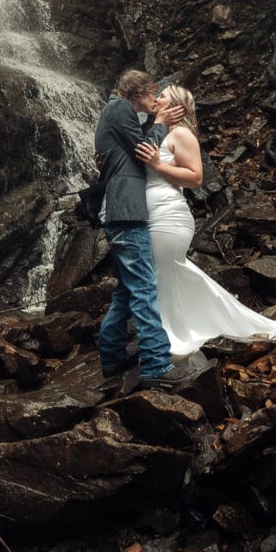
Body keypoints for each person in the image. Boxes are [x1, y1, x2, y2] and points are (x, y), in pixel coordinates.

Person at [135, 84, 276, 355]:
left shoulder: (182, 134)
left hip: (168, 215)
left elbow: (196, 178)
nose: (155, 98)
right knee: (167, 273)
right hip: (150, 216)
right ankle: (194, 326)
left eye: (162, 95)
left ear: (177, 107)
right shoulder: (153, 134)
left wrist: (158, 165)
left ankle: (164, 341)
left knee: (160, 273)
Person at [95, 70, 196, 387]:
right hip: (127, 213)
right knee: (144, 290)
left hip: (122, 212)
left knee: (126, 293)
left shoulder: (117, 111)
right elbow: (144, 152)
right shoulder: (121, 107)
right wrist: (162, 124)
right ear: (138, 91)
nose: (156, 100)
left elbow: (130, 153)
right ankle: (155, 366)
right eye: (154, 94)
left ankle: (112, 361)